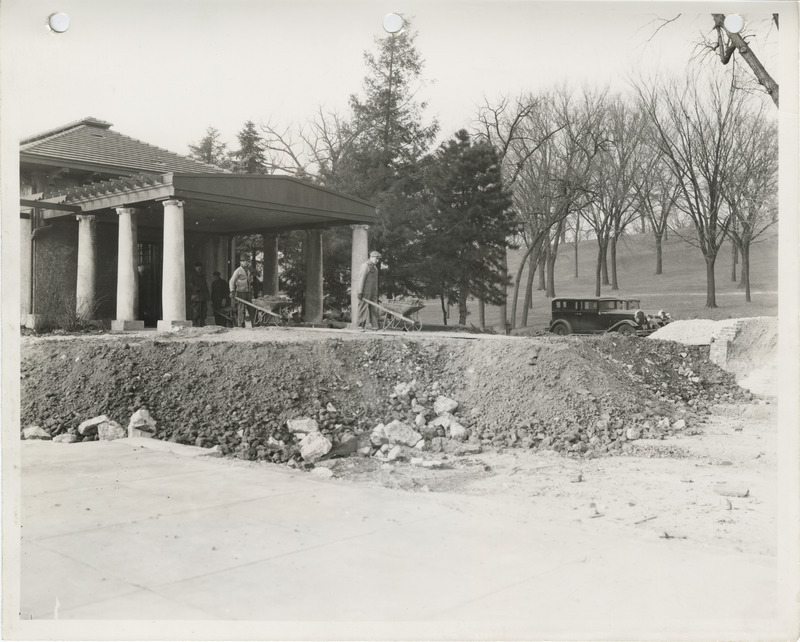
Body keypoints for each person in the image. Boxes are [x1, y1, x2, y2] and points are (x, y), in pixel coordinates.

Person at [356, 250, 381, 330]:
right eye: (376, 258)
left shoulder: (375, 268)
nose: (377, 260)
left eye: (378, 259)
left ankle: (375, 326)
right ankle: (360, 326)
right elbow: (361, 279)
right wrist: (360, 291)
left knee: (374, 309)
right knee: (363, 308)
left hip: (373, 293)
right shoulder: (365, 266)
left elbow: (375, 282)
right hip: (365, 292)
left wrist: (376, 293)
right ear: (371, 257)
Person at [229, 257, 252, 328]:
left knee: (251, 308)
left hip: (247, 292)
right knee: (241, 309)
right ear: (240, 262)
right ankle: (240, 325)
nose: (245, 262)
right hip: (240, 292)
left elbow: (249, 282)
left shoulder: (248, 271)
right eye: (244, 261)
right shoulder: (238, 270)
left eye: (246, 261)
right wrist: (232, 291)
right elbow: (232, 281)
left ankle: (254, 325)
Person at [188, 261, 210, 327]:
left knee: (204, 309)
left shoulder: (202, 276)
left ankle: (202, 322)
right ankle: (195, 322)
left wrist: (207, 295)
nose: (199, 268)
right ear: (195, 268)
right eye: (197, 267)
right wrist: (196, 288)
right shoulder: (192, 275)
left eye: (200, 267)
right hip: (196, 296)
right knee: (196, 310)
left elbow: (205, 285)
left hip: (203, 295)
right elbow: (190, 284)